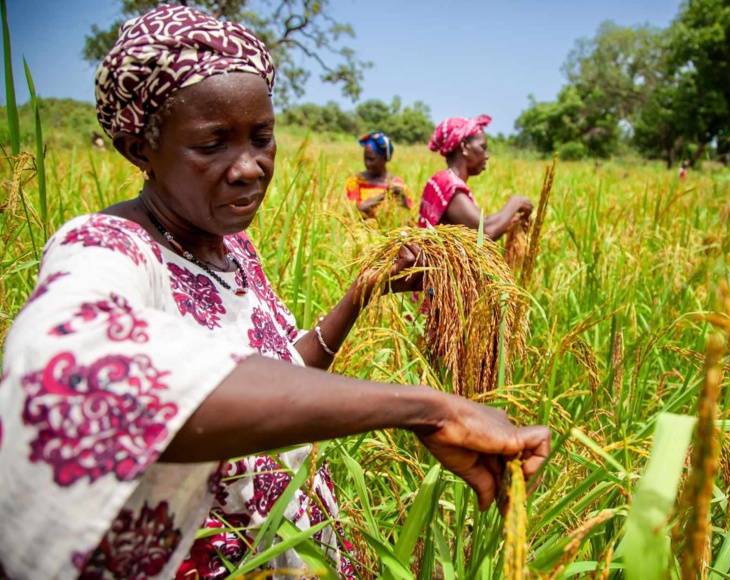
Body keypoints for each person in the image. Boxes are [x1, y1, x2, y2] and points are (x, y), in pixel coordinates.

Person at [0, 6, 550, 579]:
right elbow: (70, 378)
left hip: (290, 541)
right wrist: (424, 409)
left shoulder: (231, 248)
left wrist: (363, 292)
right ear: (141, 148)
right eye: (212, 143)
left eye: (262, 137)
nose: (249, 167)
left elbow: (285, 369)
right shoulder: (108, 249)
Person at [419, 115, 533, 241]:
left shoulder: (440, 179)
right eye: (482, 147)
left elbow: (480, 224)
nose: (486, 156)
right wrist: (515, 203)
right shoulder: (449, 185)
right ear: (464, 147)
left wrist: (509, 221)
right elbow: (484, 232)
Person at [344, 131, 412, 217]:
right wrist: (385, 195)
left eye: (372, 159)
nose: (367, 163)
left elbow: (407, 217)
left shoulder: (398, 184)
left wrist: (402, 198)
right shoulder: (355, 181)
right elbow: (354, 211)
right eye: (365, 158)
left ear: (384, 159)